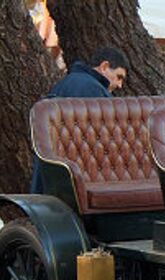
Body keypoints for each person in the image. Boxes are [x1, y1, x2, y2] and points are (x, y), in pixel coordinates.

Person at [30, 47, 129, 192]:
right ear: (104, 66)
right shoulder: (93, 91)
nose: (120, 85)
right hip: (73, 181)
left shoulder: (69, 83)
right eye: (119, 76)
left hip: (51, 176)